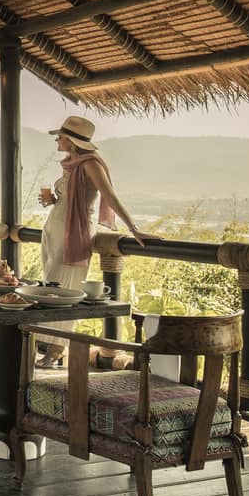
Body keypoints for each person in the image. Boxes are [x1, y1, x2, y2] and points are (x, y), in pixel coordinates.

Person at [35, 115, 148, 366]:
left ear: (72, 141)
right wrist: (54, 201)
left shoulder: (90, 165)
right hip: (54, 227)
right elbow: (69, 199)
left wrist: (134, 228)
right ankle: (50, 348)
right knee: (51, 288)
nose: (57, 139)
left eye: (60, 136)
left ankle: (55, 349)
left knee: (65, 290)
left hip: (73, 232)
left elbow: (110, 196)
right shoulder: (71, 163)